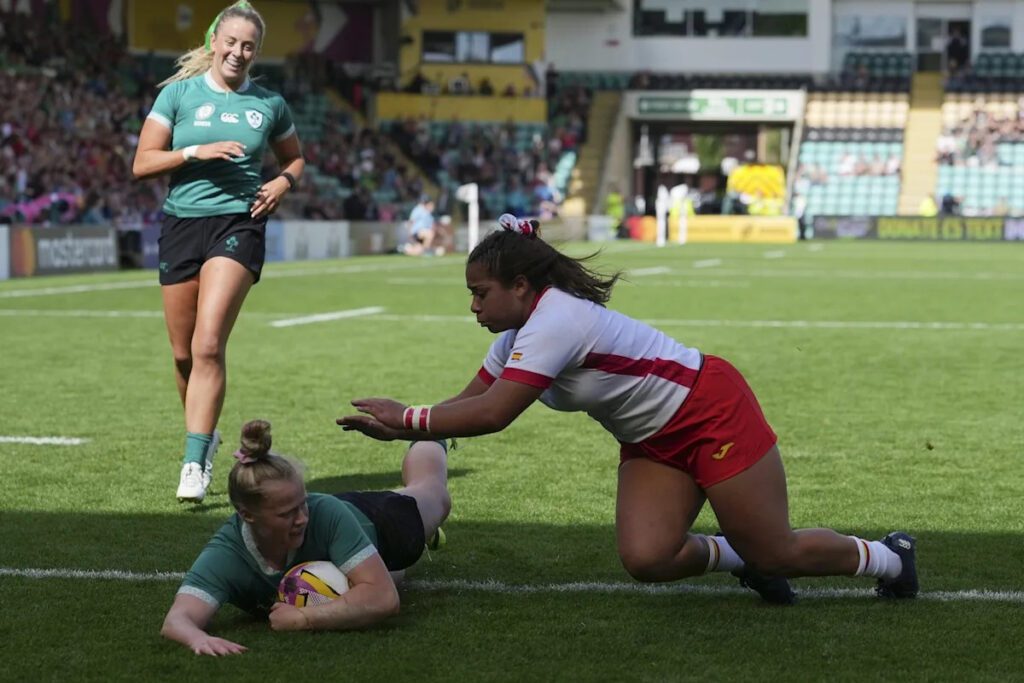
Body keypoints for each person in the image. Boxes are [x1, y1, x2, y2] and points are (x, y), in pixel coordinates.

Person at [338, 214, 919, 605]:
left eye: (479, 293)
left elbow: (494, 415)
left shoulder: (557, 319)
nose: (472, 306)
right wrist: (408, 431)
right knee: (648, 558)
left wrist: (406, 421)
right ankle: (739, 557)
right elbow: (467, 403)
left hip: (710, 411)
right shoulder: (515, 336)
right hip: (652, 440)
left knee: (780, 551)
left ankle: (889, 559)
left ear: (519, 286)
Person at [131, 1, 305, 503]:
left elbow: (295, 157)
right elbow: (142, 163)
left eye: (248, 46)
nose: (238, 52)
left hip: (240, 223)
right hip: (183, 224)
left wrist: (281, 183)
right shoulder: (178, 95)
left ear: (256, 52)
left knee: (209, 345)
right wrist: (193, 152)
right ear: (213, 43)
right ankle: (205, 438)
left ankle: (192, 463)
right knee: (184, 354)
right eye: (231, 42)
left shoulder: (269, 103)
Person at [161, 419, 451, 655]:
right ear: (246, 515)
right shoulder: (228, 553)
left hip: (372, 521)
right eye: (287, 512)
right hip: (347, 547)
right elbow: (178, 619)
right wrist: (197, 639)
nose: (302, 517)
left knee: (433, 494)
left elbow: (384, 598)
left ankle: (431, 434)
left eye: (303, 503)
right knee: (390, 573)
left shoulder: (322, 512)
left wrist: (304, 618)